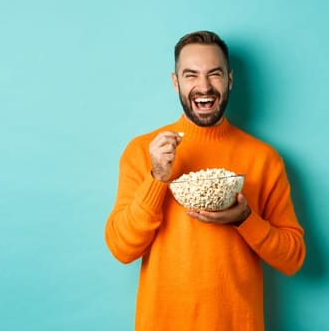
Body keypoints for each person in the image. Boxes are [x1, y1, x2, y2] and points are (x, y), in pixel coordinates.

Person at [104, 30, 306, 330]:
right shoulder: (144, 152)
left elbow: (293, 258)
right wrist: (158, 178)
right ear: (176, 82)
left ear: (230, 80)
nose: (203, 86)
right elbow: (122, 249)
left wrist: (245, 219)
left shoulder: (264, 158)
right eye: (191, 75)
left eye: (215, 74)